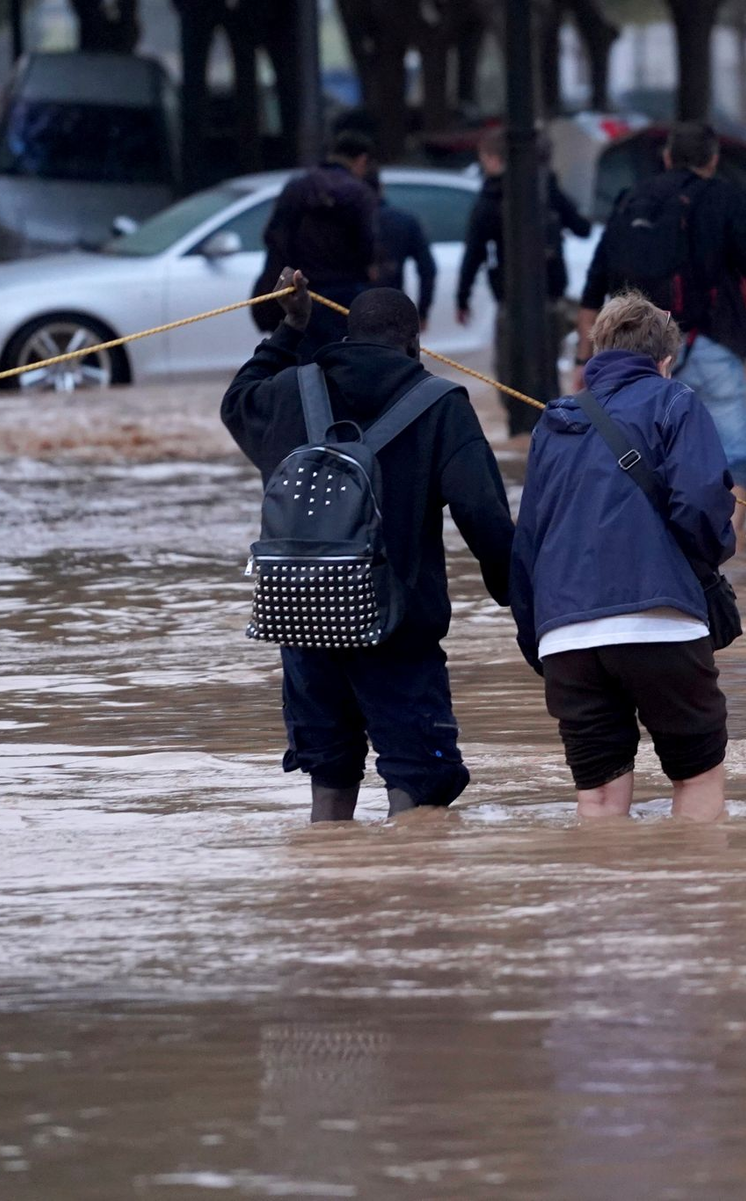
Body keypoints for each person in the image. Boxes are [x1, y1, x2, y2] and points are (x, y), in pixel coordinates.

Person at [222, 268, 515, 821]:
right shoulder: (441, 404)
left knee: (329, 779)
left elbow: (235, 402)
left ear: (346, 335)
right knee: (419, 787)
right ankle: (404, 899)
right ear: (414, 343)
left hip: (305, 622)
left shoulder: (289, 390)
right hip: (398, 632)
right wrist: (517, 598)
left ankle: (332, 892)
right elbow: (484, 516)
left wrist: (289, 330)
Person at [511, 291, 737, 822]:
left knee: (598, 799)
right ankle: (699, 902)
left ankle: (607, 897)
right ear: (665, 360)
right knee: (697, 779)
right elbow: (700, 507)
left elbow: (528, 541)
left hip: (566, 635)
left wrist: (538, 637)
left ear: (598, 350)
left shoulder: (554, 421)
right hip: (660, 625)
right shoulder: (675, 401)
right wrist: (708, 562)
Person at [575, 122, 746, 542]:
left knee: (648, 457)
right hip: (710, 343)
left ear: (667, 157)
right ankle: (722, 561)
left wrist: (584, 361)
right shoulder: (726, 198)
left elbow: (592, 291)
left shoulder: (631, 199)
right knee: (730, 455)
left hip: (639, 354)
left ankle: (655, 554)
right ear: (713, 159)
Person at [455, 126, 593, 437]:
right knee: (548, 371)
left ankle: (524, 431)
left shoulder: (491, 197)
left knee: (509, 374)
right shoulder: (547, 191)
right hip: (551, 298)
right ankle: (554, 430)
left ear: (493, 159)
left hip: (512, 302)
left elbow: (474, 251)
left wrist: (462, 297)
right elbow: (583, 227)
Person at [256, 131, 381, 355]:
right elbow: (368, 246)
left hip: (300, 291)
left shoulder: (296, 187)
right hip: (345, 292)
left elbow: (274, 236)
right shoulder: (360, 193)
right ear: (361, 160)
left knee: (302, 363)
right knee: (343, 360)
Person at [366, 168, 437, 330]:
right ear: (381, 188)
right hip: (392, 307)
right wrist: (423, 311)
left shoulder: (343, 223)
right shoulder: (404, 221)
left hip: (347, 308)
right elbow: (427, 269)